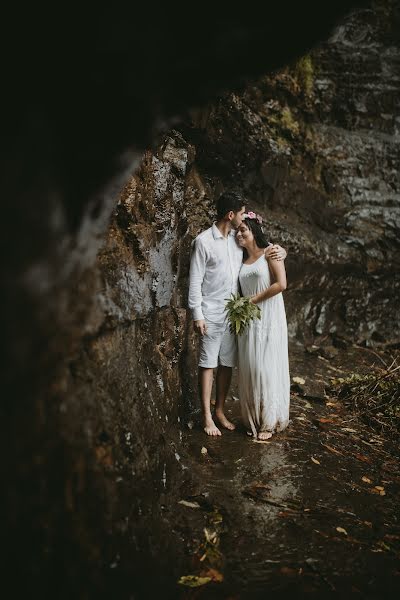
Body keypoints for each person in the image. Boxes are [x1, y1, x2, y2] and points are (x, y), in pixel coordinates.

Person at [188, 192, 286, 436]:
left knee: (228, 364)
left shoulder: (236, 239)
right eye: (241, 213)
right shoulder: (203, 242)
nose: (242, 222)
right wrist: (197, 314)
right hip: (210, 312)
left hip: (235, 316)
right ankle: (207, 416)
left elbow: (261, 251)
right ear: (230, 215)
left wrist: (281, 252)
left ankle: (220, 410)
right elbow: (194, 281)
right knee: (208, 363)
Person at [236, 211, 290, 440]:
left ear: (254, 231)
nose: (238, 234)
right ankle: (252, 419)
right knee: (250, 366)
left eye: (243, 230)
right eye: (237, 230)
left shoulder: (271, 252)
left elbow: (282, 284)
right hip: (248, 321)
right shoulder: (240, 258)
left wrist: (253, 300)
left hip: (268, 317)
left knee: (265, 367)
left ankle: (268, 421)